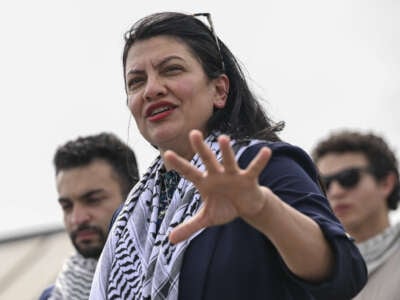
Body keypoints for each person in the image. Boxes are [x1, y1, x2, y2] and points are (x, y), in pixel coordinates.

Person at [89, 12, 367, 300]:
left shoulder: (260, 167)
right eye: (136, 81)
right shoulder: (126, 219)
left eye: (171, 69)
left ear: (219, 90)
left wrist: (262, 209)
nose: (151, 89)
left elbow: (345, 274)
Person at [39, 132, 139, 300]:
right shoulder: (54, 295)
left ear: (133, 197)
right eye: (67, 206)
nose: (77, 219)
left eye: (93, 200)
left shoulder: (168, 274)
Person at [312, 130, 400, 300]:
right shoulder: (308, 273)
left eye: (348, 178)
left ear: (386, 183)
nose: (336, 192)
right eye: (325, 184)